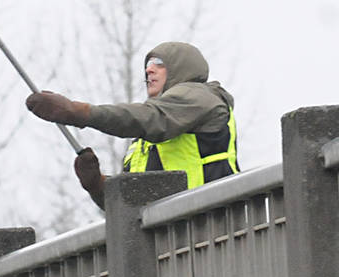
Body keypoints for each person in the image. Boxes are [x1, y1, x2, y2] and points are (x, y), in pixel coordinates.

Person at [25, 41, 238, 208]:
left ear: (182, 69)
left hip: (211, 230)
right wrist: (98, 186)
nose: (149, 71)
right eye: (147, 65)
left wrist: (77, 112)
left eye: (159, 64)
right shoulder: (144, 142)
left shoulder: (199, 97)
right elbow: (132, 205)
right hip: (171, 242)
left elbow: (147, 117)